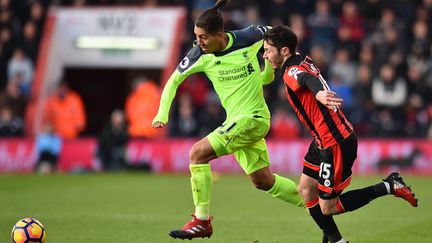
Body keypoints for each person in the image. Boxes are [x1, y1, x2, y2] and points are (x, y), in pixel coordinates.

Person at [152, 1, 305, 240]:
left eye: (203, 37)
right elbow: (172, 81)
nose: (198, 43)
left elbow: (276, 37)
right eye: (196, 36)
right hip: (240, 123)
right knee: (263, 181)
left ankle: (201, 221)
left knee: (197, 154)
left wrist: (268, 70)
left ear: (220, 35)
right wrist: (162, 113)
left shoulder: (250, 37)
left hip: (253, 119)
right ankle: (315, 204)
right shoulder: (199, 55)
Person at [262, 25, 418, 243]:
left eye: (268, 50)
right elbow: (308, 76)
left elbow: (308, 80)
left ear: (285, 51)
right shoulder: (301, 59)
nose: (265, 55)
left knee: (328, 207)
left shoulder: (291, 71)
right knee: (306, 190)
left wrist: (319, 94)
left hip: (334, 141)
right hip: (322, 139)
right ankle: (336, 240)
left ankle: (389, 186)